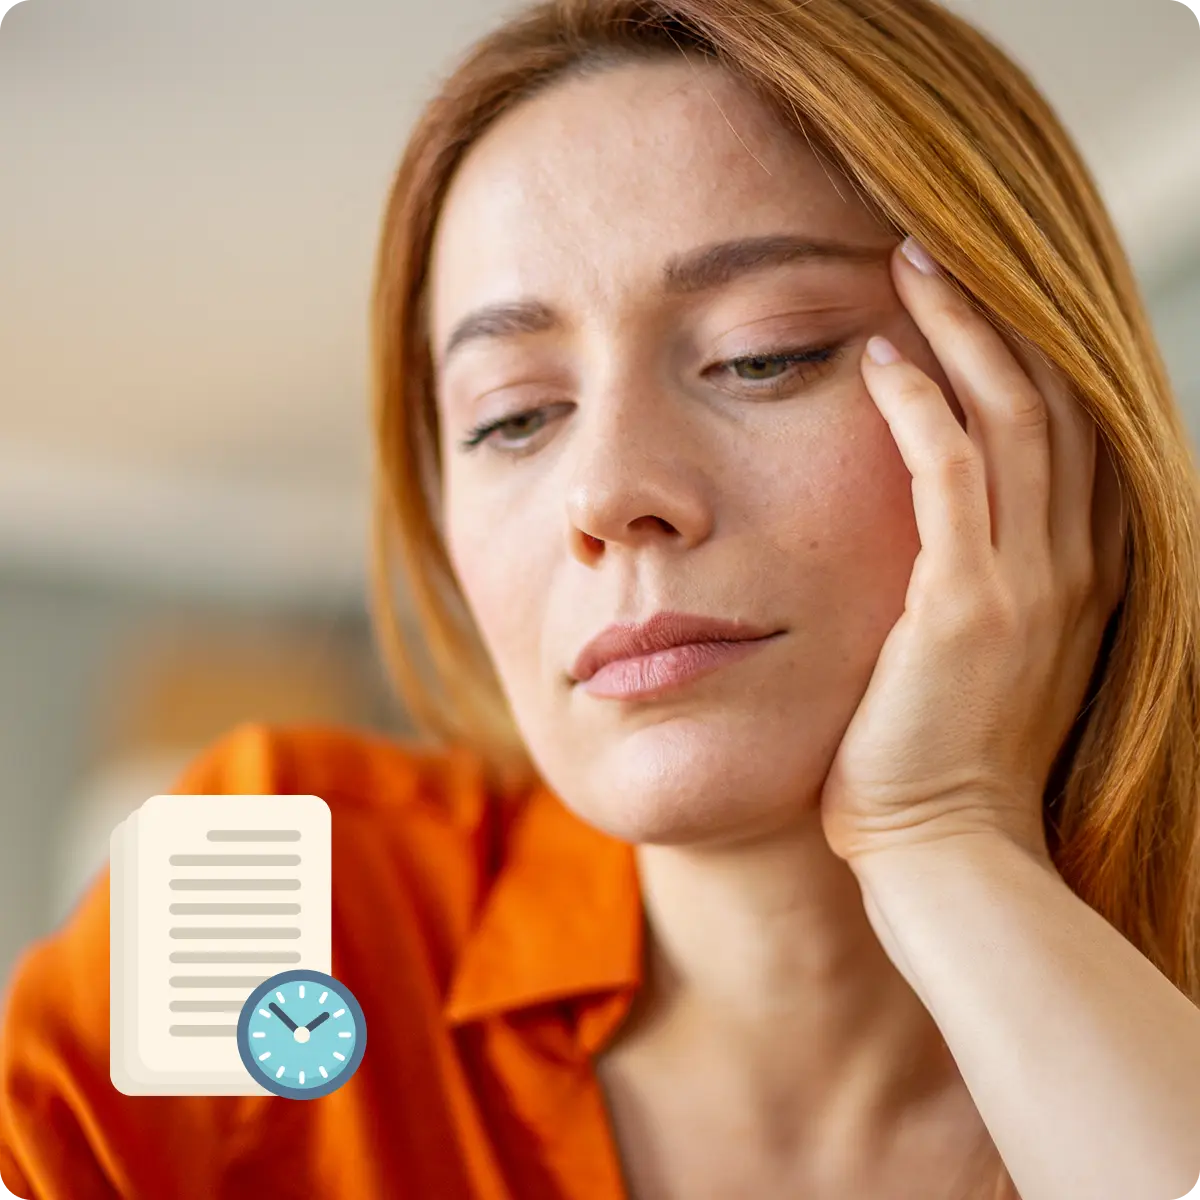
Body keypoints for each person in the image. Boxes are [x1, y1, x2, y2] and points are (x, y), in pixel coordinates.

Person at [2, 0, 1200, 1196]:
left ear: (1044, 407)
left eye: (764, 353)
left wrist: (945, 833)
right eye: (512, 417)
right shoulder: (278, 883)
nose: (609, 493)